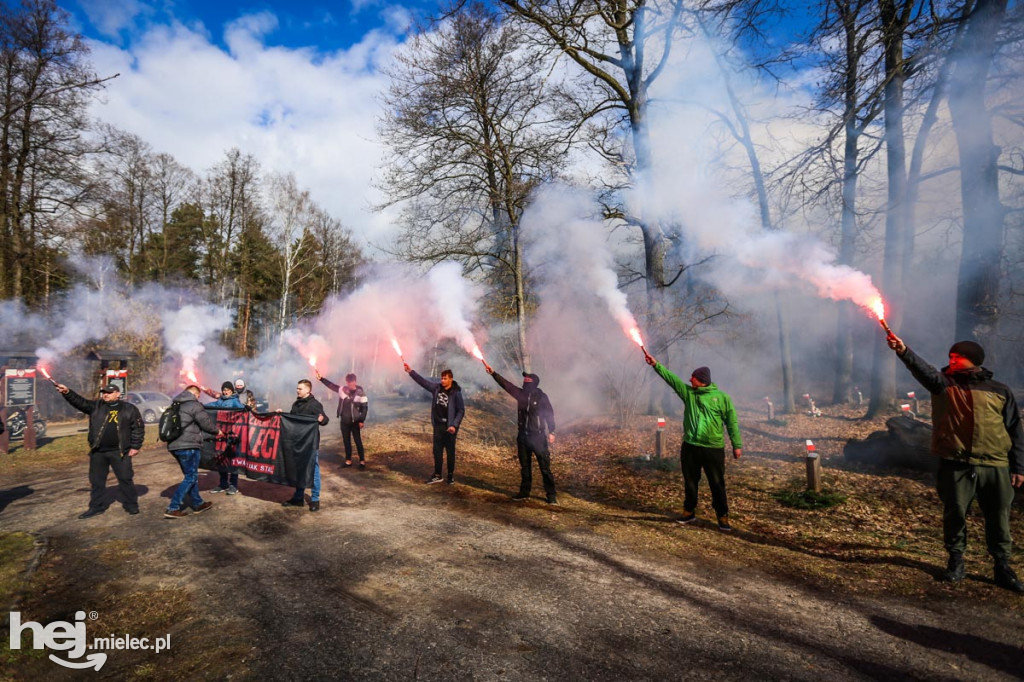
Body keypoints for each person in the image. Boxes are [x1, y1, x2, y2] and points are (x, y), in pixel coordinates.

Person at [887, 335, 1024, 592]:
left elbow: (1015, 430)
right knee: (955, 514)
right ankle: (956, 561)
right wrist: (904, 350)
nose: (951, 360)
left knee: (999, 517)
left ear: (973, 361)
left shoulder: (1000, 390)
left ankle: (1002, 567)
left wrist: (1019, 467)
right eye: (950, 356)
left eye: (957, 357)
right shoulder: (942, 384)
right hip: (957, 463)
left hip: (996, 465)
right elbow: (922, 368)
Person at [644, 353, 742, 531]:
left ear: (701, 380)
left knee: (717, 483)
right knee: (690, 481)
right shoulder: (689, 394)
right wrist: (655, 365)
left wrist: (737, 445)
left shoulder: (722, 398)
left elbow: (732, 422)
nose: (689, 379)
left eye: (693, 377)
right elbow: (672, 380)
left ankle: (722, 516)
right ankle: (688, 512)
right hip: (690, 446)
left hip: (713, 448)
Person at [56, 382, 145, 519]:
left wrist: (135, 446)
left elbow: (138, 428)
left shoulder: (129, 408)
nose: (105, 395)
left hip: (120, 452)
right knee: (97, 481)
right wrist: (67, 392)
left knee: (125, 479)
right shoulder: (96, 406)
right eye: (104, 392)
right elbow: (80, 402)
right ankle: (96, 507)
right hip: (99, 451)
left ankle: (131, 504)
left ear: (117, 394)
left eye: (109, 393)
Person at [485, 366, 558, 503]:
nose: (524, 381)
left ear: (533, 382)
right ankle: (524, 493)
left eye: (527, 379)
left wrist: (552, 431)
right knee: (525, 467)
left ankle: (551, 495)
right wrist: (493, 374)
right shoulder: (521, 394)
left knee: (545, 468)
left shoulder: (542, 397)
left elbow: (550, 415)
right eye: (524, 379)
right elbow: (507, 385)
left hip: (538, 437)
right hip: (523, 437)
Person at [164, 385, 224, 519]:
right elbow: (206, 423)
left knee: (190, 476)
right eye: (198, 396)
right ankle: (173, 507)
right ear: (195, 394)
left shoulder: (175, 404)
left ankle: (198, 503)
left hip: (174, 446)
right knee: (190, 477)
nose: (198, 398)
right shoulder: (194, 405)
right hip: (188, 445)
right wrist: (217, 431)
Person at [404, 362, 464, 484]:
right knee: (437, 451)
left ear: (451, 379)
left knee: (450, 452)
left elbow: (461, 410)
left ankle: (450, 475)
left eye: (445, 378)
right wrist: (411, 372)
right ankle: (437, 474)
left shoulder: (456, 393)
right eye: (441, 378)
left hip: (450, 427)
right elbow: (423, 382)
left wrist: (454, 425)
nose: (442, 380)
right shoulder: (436, 388)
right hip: (438, 426)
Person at [281, 379, 329, 511]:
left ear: (308, 390)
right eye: (297, 388)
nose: (297, 390)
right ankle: (298, 498)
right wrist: (281, 415)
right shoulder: (296, 404)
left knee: (313, 470)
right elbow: (291, 420)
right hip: (297, 442)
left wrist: (322, 419)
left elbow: (325, 419)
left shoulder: (315, 404)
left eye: (300, 389)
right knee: (298, 470)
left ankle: (315, 499)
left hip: (310, 444)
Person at [316, 369, 369, 467]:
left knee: (357, 441)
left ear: (355, 381)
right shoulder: (342, 390)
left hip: (355, 421)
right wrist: (321, 379)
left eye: (351, 382)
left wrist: (361, 420)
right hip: (344, 420)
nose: (350, 384)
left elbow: (365, 407)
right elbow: (332, 386)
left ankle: (362, 461)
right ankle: (348, 460)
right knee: (346, 440)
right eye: (348, 382)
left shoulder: (361, 392)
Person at [202, 381, 245, 495]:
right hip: (220, 435)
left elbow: (242, 411)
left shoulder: (235, 402)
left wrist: (247, 409)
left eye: (228, 389)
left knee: (232, 460)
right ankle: (223, 483)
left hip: (232, 436)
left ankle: (233, 485)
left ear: (232, 390)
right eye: (224, 390)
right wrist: (200, 406)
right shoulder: (220, 401)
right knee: (221, 459)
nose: (225, 391)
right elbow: (212, 406)